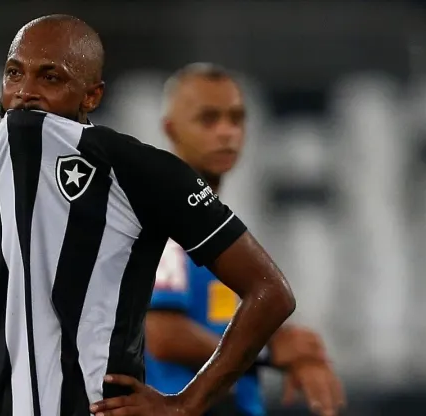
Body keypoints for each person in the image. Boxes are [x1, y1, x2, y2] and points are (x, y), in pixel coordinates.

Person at [0, 14, 296, 416]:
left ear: (91, 96)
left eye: (50, 77)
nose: (26, 91)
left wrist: (185, 403)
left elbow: (270, 292)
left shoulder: (140, 170)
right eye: (14, 73)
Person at [144, 63, 345, 416]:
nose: (226, 132)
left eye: (236, 119)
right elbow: (162, 332)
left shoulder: (216, 226)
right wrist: (266, 351)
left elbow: (220, 321)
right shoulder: (165, 224)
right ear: (171, 129)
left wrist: (282, 342)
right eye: (208, 119)